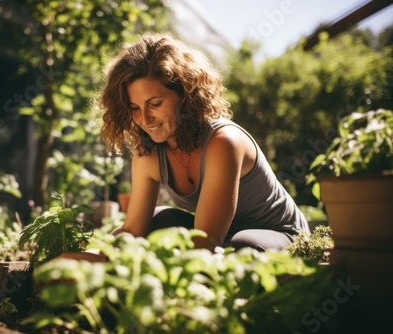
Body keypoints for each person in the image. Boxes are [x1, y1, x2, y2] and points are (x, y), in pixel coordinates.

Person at [98, 32, 309, 251]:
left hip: (279, 234)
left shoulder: (223, 142)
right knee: (159, 222)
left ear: (185, 94)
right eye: (134, 108)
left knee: (241, 246)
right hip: (226, 236)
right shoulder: (147, 154)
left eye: (155, 104)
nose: (144, 118)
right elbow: (132, 231)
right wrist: (96, 253)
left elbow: (206, 241)